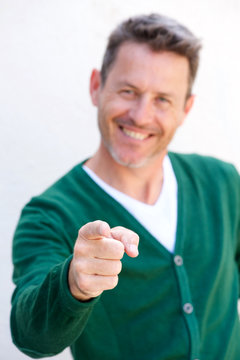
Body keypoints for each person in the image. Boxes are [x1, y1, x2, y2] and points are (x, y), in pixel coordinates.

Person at [10, 13, 240, 360]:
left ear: (186, 108)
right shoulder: (48, 215)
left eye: (163, 99)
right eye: (128, 91)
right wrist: (73, 284)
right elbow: (31, 337)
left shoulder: (222, 183)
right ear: (96, 86)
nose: (142, 115)